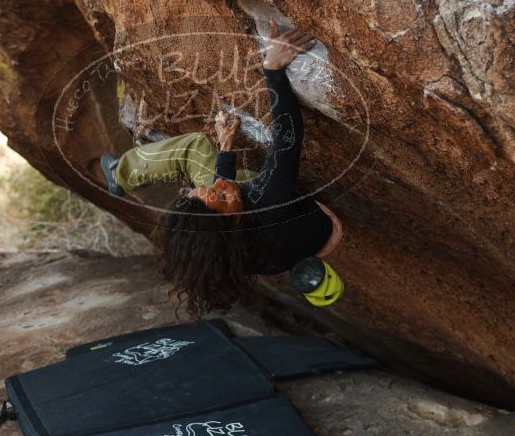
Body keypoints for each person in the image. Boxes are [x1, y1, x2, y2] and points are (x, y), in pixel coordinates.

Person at [100, 19, 342, 316]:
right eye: (222, 197)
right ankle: (121, 173)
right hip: (313, 224)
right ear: (233, 226)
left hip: (280, 243)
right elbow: (287, 139)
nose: (221, 185)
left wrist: (226, 147)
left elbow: (220, 202)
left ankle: (124, 175)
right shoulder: (269, 202)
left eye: (205, 190)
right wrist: (273, 69)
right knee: (194, 149)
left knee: (217, 178)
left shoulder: (224, 249)